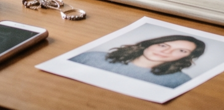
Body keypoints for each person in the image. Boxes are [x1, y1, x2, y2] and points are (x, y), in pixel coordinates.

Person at [70, 35, 206, 88]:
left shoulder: (180, 81)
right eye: (163, 45)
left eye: (181, 51)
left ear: (187, 57)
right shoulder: (93, 57)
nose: (166, 52)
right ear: (149, 44)